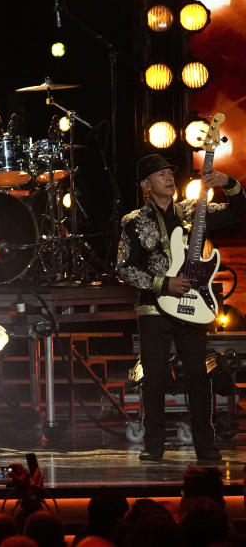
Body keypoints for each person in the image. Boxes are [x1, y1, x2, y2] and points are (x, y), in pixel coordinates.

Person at [117, 153, 245, 463]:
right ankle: (155, 445)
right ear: (146, 185)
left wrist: (229, 183)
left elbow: (239, 212)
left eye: (170, 172)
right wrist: (163, 283)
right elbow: (123, 268)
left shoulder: (193, 211)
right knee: (156, 378)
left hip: (193, 302)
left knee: (199, 376)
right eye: (160, 174)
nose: (168, 177)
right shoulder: (134, 221)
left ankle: (206, 445)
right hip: (154, 307)